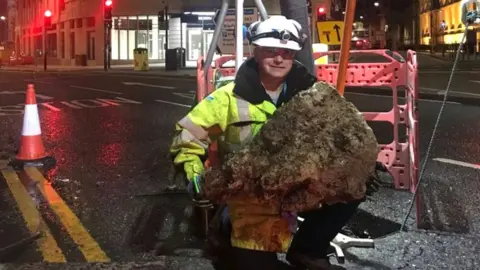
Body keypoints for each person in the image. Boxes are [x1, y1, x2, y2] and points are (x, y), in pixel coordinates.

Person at [169, 15, 362, 270]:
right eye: (271, 51)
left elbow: (342, 136)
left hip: (299, 189)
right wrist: (194, 175)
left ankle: (307, 249)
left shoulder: (313, 96)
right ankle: (224, 230)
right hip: (250, 196)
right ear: (256, 51)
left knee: (355, 183)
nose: (279, 58)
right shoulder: (227, 99)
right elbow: (187, 137)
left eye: (287, 52)